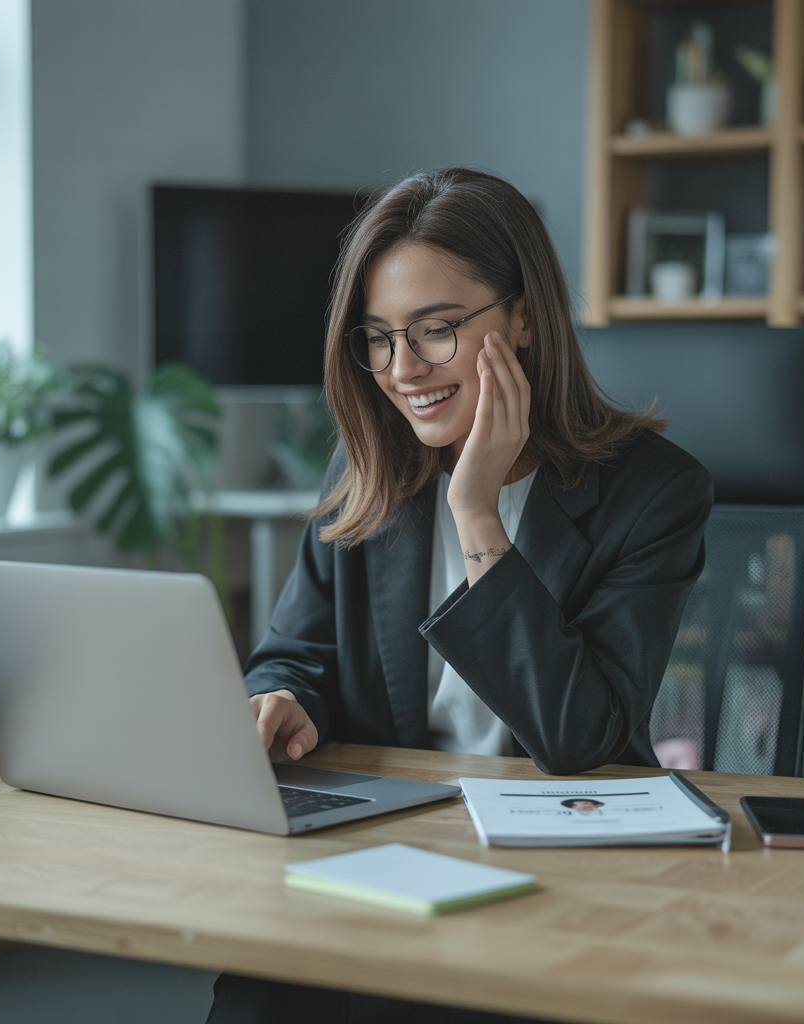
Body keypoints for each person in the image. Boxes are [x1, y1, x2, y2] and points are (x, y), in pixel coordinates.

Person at [207, 168, 712, 1024]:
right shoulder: (368, 468)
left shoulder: (653, 494)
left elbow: (579, 738)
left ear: (521, 315)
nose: (403, 371)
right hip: (389, 855)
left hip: (566, 875)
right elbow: (297, 652)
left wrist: (477, 511)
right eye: (379, 337)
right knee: (257, 992)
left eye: (435, 330)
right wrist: (283, 698)